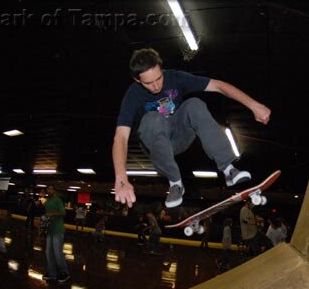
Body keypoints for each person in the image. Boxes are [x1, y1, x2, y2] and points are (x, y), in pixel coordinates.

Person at [112, 48, 271, 208]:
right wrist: (121, 177)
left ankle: (228, 169)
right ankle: (175, 183)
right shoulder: (132, 95)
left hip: (180, 137)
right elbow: (121, 137)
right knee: (152, 118)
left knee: (194, 104)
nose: (156, 86)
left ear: (162, 69)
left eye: (159, 78)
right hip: (156, 145)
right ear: (137, 80)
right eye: (148, 83)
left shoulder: (175, 77)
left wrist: (253, 105)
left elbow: (218, 86)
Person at [42, 185, 70, 283]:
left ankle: (64, 272)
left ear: (54, 191)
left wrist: (52, 214)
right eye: (48, 189)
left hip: (58, 230)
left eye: (51, 189)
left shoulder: (57, 200)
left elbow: (63, 213)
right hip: (50, 230)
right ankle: (52, 273)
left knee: (57, 252)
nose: (49, 191)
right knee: (48, 252)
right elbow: (42, 208)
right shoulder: (47, 201)